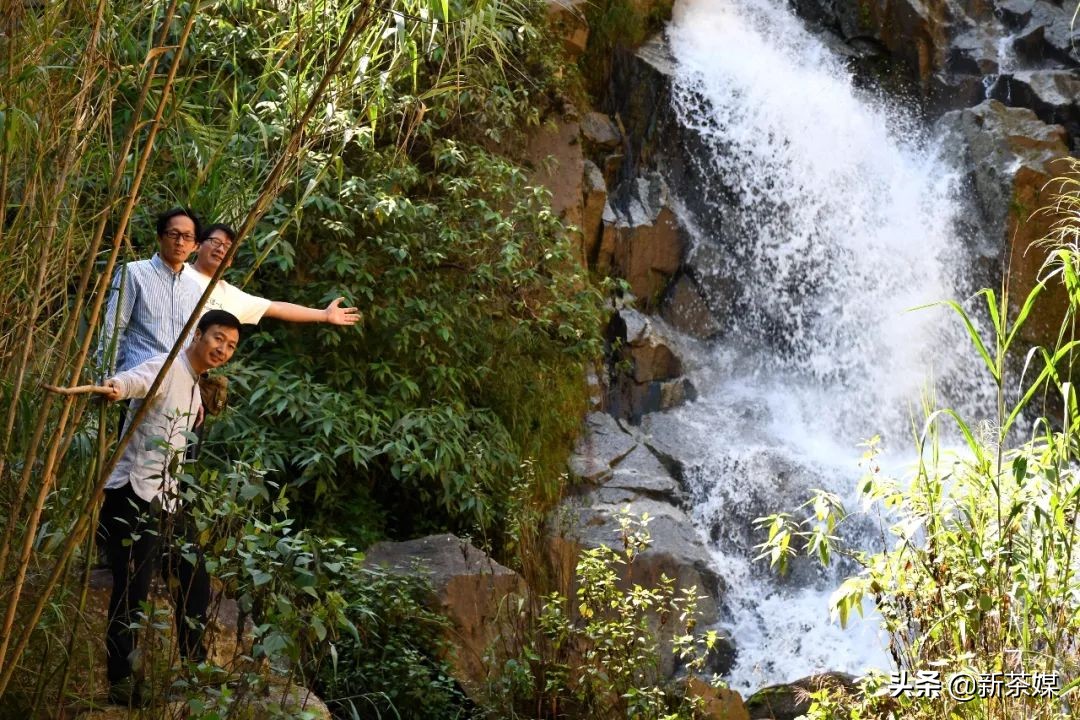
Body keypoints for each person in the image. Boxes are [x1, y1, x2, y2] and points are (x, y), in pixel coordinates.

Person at [96, 310, 242, 707]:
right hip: (132, 494)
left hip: (167, 498)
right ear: (198, 334)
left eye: (231, 346)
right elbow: (137, 379)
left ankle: (194, 669)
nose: (222, 349)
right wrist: (115, 387)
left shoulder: (195, 383)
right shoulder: (167, 364)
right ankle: (122, 683)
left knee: (195, 576)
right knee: (133, 589)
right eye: (218, 338)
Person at [98, 208, 204, 374]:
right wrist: (106, 377)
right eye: (173, 234)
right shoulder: (134, 273)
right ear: (160, 237)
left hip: (177, 381)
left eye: (187, 236)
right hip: (138, 378)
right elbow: (113, 329)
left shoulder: (195, 288)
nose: (180, 242)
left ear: (195, 245)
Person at [189, 223, 360, 326]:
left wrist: (324, 315)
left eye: (228, 247)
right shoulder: (178, 271)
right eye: (215, 242)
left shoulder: (232, 296)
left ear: (230, 262)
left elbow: (278, 308)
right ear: (197, 246)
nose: (221, 249)